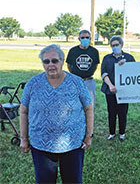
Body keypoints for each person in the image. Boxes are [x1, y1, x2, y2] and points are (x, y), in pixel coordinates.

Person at [19, 44, 94, 183]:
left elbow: (88, 108)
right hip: (41, 144)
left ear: (62, 61)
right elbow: (23, 111)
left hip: (72, 143)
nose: (50, 65)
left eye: (55, 60)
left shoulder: (76, 82)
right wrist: (23, 138)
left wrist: (89, 135)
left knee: (73, 181)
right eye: (46, 61)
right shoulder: (33, 83)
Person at [101, 36, 135, 141]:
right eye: (113, 45)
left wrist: (125, 66)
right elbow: (104, 73)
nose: (115, 47)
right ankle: (111, 133)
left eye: (117, 45)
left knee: (122, 112)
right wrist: (110, 85)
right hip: (110, 90)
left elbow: (135, 72)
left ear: (121, 45)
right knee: (111, 112)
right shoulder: (107, 58)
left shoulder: (129, 58)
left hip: (124, 91)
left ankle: (122, 133)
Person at [66, 29, 99, 109]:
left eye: (87, 37)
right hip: (75, 81)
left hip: (89, 81)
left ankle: (89, 121)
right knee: (74, 105)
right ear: (79, 39)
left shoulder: (94, 51)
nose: (85, 39)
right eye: (82, 37)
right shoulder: (73, 51)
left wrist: (87, 75)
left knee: (90, 106)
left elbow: (95, 66)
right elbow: (69, 65)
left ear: (90, 39)